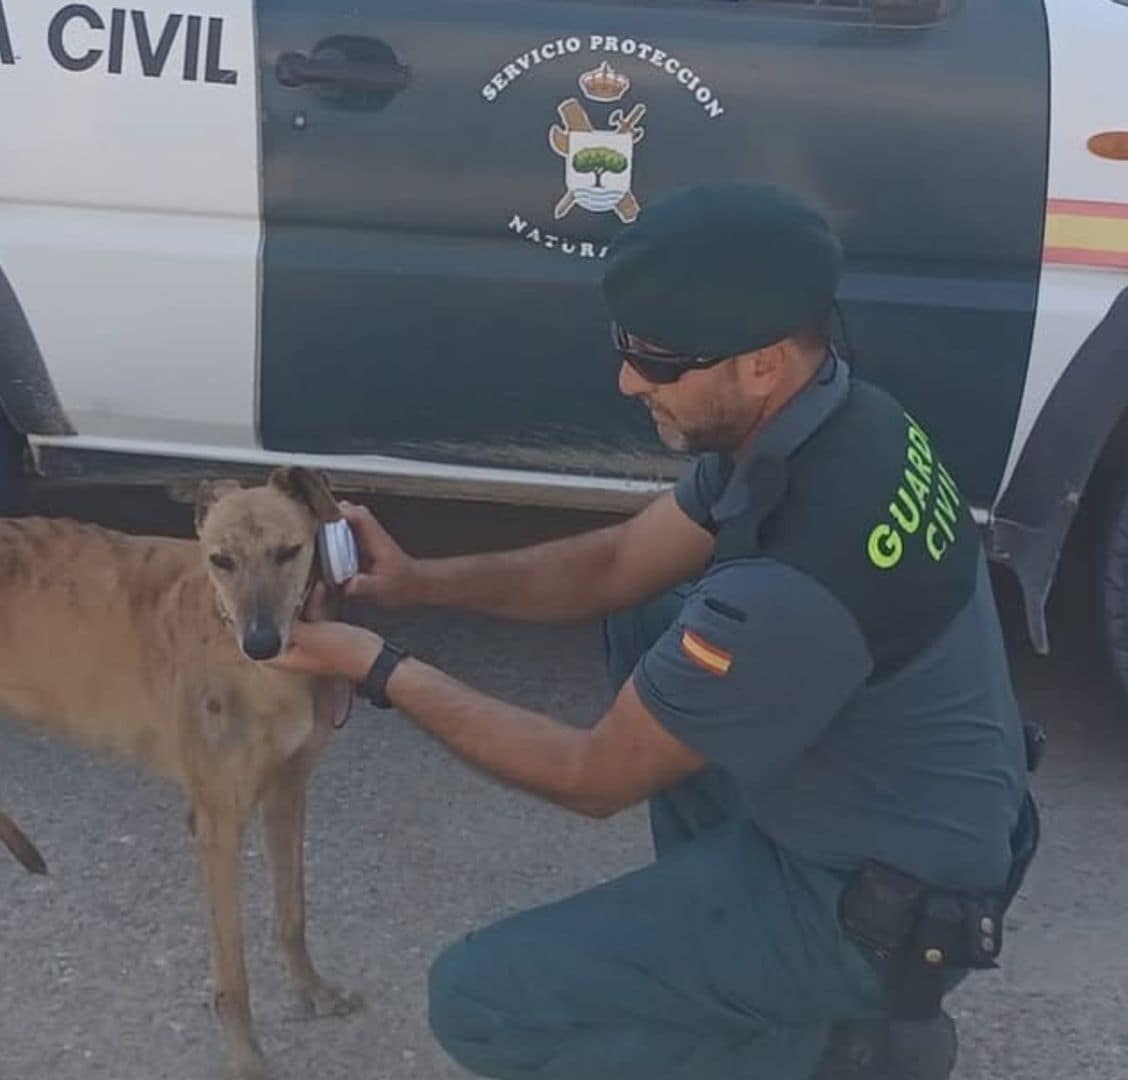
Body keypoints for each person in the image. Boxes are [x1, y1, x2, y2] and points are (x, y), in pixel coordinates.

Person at [266, 181, 1039, 1080]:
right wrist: (419, 583)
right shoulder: (844, 414)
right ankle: (763, 978)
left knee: (479, 1000)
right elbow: (619, 563)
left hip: (874, 907)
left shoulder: (794, 577)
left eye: (659, 361)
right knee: (652, 610)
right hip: (914, 814)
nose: (630, 380)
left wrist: (375, 664)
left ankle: (837, 1047)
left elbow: (591, 775)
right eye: (625, 347)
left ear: (760, 362)